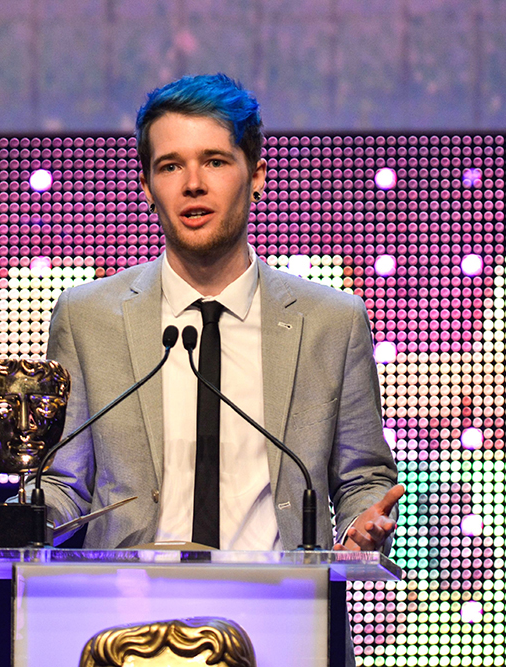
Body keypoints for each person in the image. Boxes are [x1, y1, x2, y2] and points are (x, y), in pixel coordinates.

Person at [24, 73, 402, 551]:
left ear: (257, 174)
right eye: (170, 167)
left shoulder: (331, 321)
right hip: (131, 611)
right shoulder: (88, 317)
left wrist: (358, 527)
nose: (194, 185)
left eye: (215, 161)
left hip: (282, 608)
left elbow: (361, 477)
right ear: (146, 186)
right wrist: (24, 520)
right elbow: (64, 484)